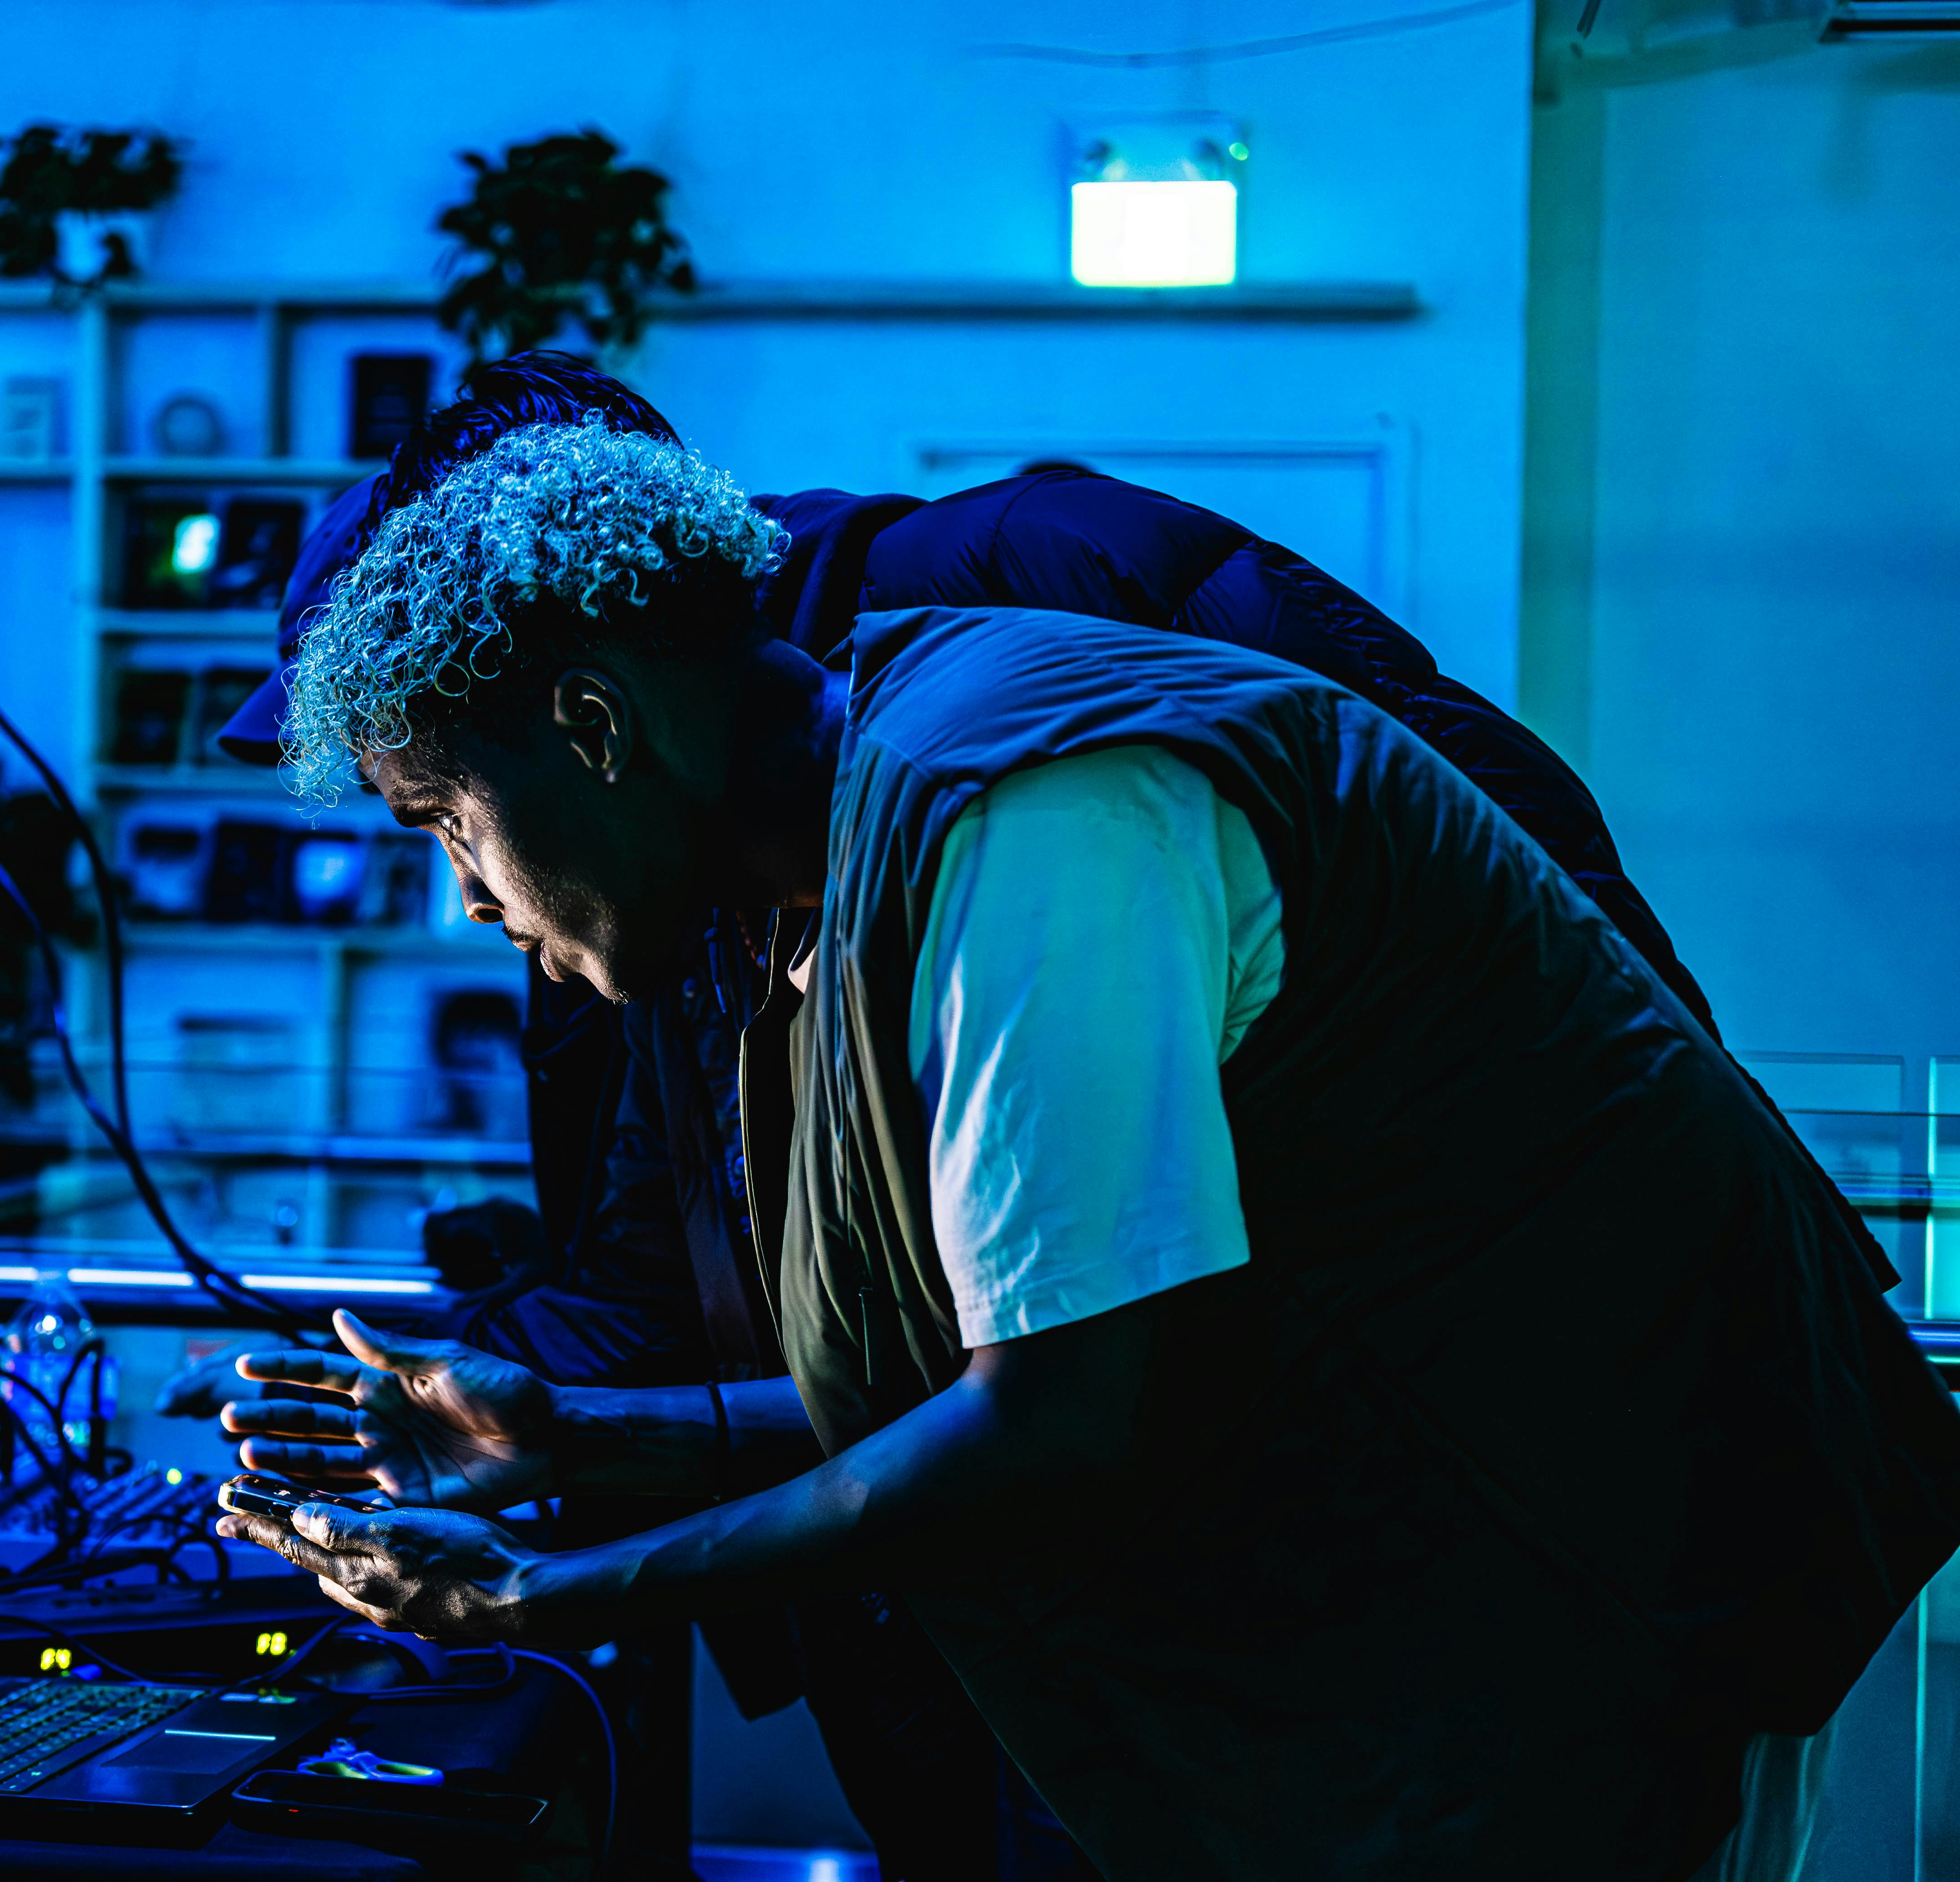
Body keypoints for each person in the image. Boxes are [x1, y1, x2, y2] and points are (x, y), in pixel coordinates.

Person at [213, 417, 1960, 1880]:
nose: (465, 897)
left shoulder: (1023, 803)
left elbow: (1063, 1422)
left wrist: (548, 1591)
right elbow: (971, 1373)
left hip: (1603, 1595)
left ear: (592, 729)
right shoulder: (827, 875)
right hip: (1443, 1625)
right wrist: (572, 1434)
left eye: (445, 818)